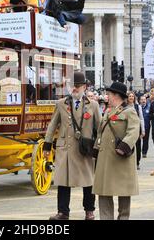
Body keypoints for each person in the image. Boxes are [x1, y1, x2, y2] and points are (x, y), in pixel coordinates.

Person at [43, 72, 101, 220]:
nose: (74, 89)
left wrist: (98, 146)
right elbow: (52, 125)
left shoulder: (93, 105)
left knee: (88, 182)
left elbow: (100, 129)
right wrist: (47, 145)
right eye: (72, 86)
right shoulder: (61, 103)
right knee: (63, 181)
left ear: (84, 87)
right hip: (66, 149)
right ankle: (63, 212)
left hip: (84, 149)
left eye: (77, 86)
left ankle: (89, 211)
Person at [93, 82, 139, 220]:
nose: (107, 97)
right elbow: (101, 133)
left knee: (124, 191)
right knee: (103, 191)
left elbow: (134, 131)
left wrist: (124, 146)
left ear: (116, 96)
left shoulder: (129, 111)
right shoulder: (108, 111)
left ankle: (123, 218)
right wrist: (95, 149)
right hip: (105, 158)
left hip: (121, 157)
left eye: (109, 94)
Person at [126, 92, 145, 170]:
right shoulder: (125, 107)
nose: (131, 97)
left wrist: (143, 130)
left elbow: (141, 118)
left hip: (137, 129)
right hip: (127, 129)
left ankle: (137, 162)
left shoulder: (138, 107)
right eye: (129, 96)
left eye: (132, 96)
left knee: (138, 146)